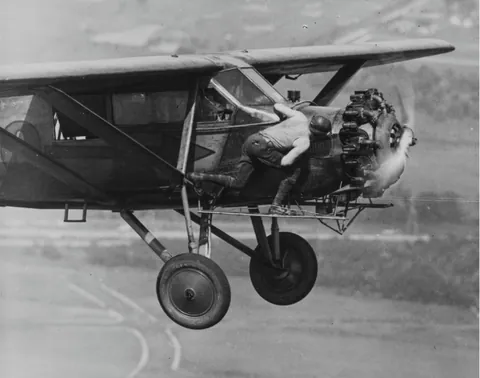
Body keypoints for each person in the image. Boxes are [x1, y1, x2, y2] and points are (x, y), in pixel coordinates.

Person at [187, 103, 332, 214]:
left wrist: (282, 122)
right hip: (262, 148)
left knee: (238, 183)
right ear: (319, 135)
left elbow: (277, 106)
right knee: (292, 172)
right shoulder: (304, 142)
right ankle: (276, 206)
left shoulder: (299, 117)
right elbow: (284, 162)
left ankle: (199, 176)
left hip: (252, 140)